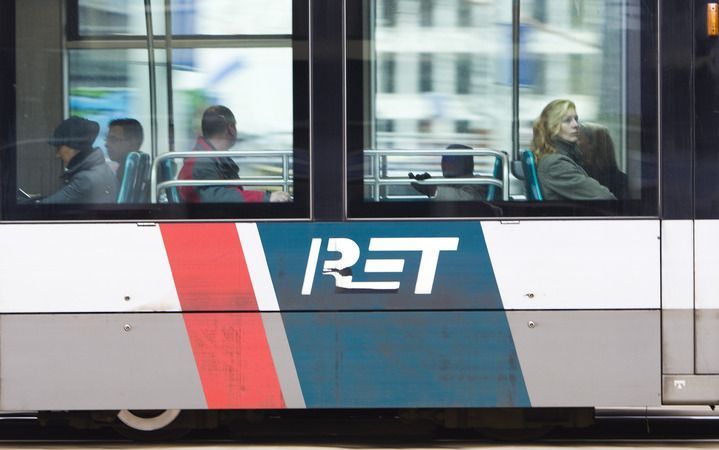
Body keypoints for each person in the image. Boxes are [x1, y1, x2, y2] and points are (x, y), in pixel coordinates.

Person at [178, 105, 291, 203]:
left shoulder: (212, 157)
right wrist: (266, 198)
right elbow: (215, 197)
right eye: (235, 126)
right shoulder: (200, 162)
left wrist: (266, 197)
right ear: (230, 129)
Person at [530, 99, 616, 201]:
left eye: (576, 119)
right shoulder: (556, 165)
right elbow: (604, 197)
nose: (575, 125)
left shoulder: (565, 156)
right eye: (567, 120)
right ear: (552, 127)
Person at [41, 116, 118, 204]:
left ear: (74, 147)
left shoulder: (85, 179)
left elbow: (45, 208)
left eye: (59, 148)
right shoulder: (102, 169)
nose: (57, 155)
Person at [579, 122, 629, 199]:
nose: (574, 143)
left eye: (578, 138)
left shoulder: (581, 177)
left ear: (592, 145)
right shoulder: (623, 180)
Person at [106, 118, 144, 184]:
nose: (107, 144)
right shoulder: (125, 169)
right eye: (107, 139)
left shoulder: (134, 174)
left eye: (113, 139)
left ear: (133, 143)